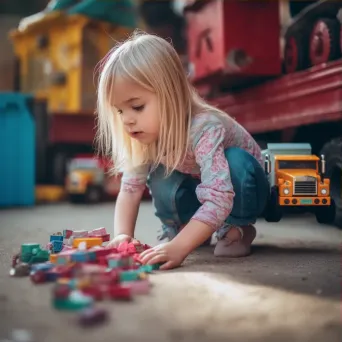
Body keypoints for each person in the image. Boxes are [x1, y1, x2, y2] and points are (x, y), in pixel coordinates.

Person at [96, 30, 270, 270]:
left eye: (136, 106)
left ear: (171, 94)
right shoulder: (145, 134)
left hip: (246, 190)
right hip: (199, 183)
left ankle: (238, 228)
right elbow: (130, 189)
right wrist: (122, 236)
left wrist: (180, 248)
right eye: (119, 111)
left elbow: (219, 197)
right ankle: (183, 225)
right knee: (159, 172)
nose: (127, 120)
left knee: (236, 162)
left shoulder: (204, 127)